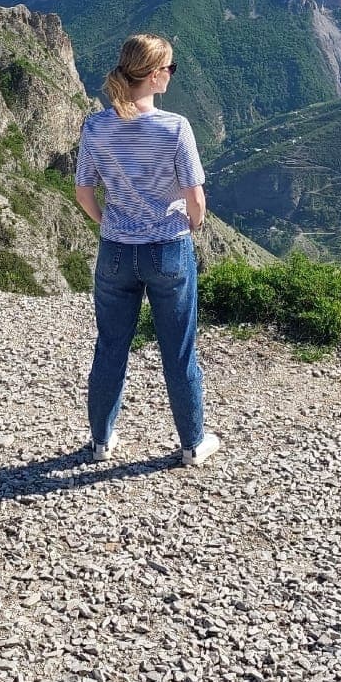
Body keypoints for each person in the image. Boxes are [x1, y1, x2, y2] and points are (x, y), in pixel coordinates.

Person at [74, 33, 221, 467]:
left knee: (111, 345)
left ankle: (101, 441)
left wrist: (109, 223)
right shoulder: (175, 127)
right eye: (170, 69)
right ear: (155, 75)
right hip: (168, 249)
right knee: (178, 350)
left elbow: (84, 191)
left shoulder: (96, 126)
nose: (171, 76)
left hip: (116, 250)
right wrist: (190, 226)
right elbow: (196, 197)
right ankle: (192, 443)